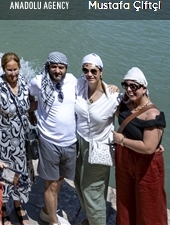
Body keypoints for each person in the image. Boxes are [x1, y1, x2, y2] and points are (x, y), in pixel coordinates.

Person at [27, 52, 79, 225]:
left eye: (61, 67)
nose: (57, 70)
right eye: (54, 67)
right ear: (48, 66)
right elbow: (29, 93)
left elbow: (93, 87)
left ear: (66, 68)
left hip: (70, 141)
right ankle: (53, 221)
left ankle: (45, 211)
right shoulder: (39, 81)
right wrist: (31, 113)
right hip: (49, 140)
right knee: (52, 185)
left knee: (60, 180)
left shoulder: (73, 81)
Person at [112, 67, 166, 225]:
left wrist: (121, 140)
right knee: (124, 198)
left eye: (134, 86)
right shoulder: (125, 105)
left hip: (146, 162)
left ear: (144, 88)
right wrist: (112, 88)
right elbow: (99, 94)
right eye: (125, 85)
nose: (129, 90)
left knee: (149, 204)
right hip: (125, 157)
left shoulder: (152, 114)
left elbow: (148, 147)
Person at [74, 55, 122, 225]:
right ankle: (91, 218)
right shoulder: (79, 86)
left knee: (91, 189)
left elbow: (129, 116)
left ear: (101, 72)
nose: (89, 74)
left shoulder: (113, 97)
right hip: (79, 142)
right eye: (85, 70)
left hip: (100, 147)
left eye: (93, 70)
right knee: (78, 182)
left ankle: (98, 221)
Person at [0, 53, 33, 225]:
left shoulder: (25, 83)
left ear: (19, 68)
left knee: (19, 172)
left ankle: (19, 205)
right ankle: (3, 208)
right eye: (9, 70)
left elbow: (29, 106)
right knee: (5, 173)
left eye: (15, 69)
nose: (13, 73)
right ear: (3, 69)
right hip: (4, 140)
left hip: (20, 139)